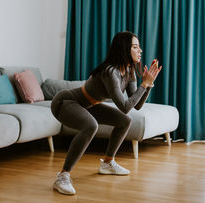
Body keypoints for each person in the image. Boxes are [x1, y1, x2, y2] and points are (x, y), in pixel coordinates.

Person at [51, 31, 162, 195]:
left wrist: (148, 85)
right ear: (124, 49)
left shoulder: (130, 72)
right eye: (135, 47)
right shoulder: (111, 72)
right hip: (66, 102)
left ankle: (108, 163)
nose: (140, 51)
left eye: (139, 47)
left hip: (88, 105)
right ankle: (62, 176)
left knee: (125, 120)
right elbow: (124, 106)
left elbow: (135, 106)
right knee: (90, 126)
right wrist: (144, 85)